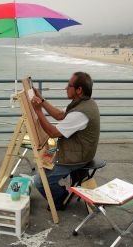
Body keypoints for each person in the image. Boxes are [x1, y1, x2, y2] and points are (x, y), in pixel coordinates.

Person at [31, 72, 100, 210]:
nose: (65, 88)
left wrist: (38, 111)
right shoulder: (84, 103)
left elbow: (52, 133)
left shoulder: (80, 113)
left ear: (79, 90)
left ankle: (61, 198)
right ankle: (62, 190)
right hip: (78, 150)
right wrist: (41, 100)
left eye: (69, 85)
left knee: (39, 181)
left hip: (77, 157)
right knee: (44, 159)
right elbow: (59, 115)